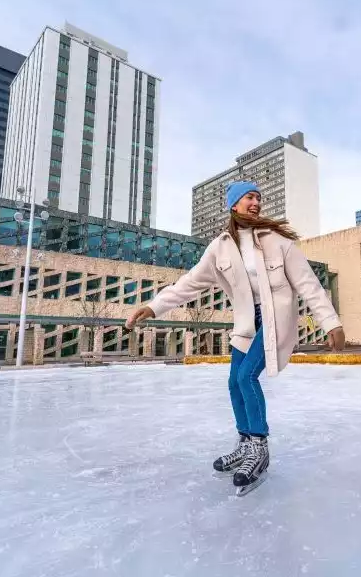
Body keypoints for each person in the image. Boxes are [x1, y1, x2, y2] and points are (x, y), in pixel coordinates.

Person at [126, 181, 345, 492]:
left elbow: (308, 283)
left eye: (258, 197)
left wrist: (330, 322)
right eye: (249, 198)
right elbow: (188, 284)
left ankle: (259, 446)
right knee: (233, 381)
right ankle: (245, 441)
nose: (255, 202)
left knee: (247, 378)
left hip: (275, 318)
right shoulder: (219, 248)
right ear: (234, 205)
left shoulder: (278, 241)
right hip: (246, 322)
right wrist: (152, 307)